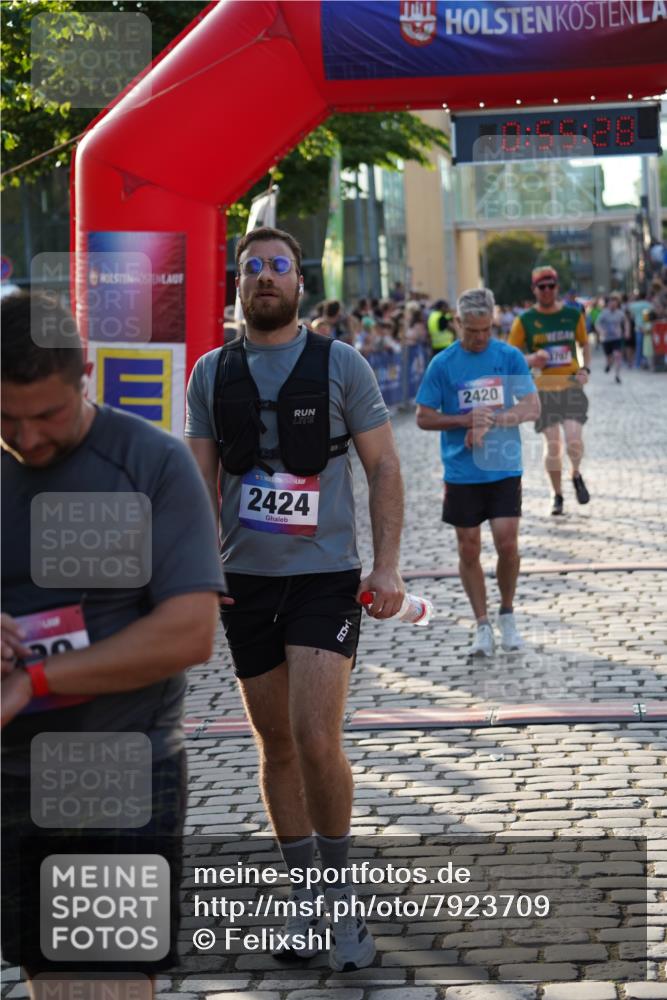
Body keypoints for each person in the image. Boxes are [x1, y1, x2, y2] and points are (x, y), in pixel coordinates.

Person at [185, 226, 405, 972]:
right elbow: (198, 482)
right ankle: (305, 897)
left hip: (324, 577)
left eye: (279, 266)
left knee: (315, 738)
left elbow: (381, 467)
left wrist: (388, 566)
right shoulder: (211, 374)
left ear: (300, 283)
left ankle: (340, 901)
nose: (266, 277)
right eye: (253, 269)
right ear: (238, 285)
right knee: (275, 744)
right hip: (245, 581)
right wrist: (192, 574)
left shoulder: (340, 364)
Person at [1, 292, 225, 986]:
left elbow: (189, 633)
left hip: (119, 771)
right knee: (47, 975)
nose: (29, 437)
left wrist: (35, 680)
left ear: (85, 374)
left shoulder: (151, 461)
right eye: (6, 417)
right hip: (10, 779)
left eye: (48, 415)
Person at [416, 288, 539, 658]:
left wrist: (493, 420)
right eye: (473, 331)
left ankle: (507, 613)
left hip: (503, 464)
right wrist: (462, 419)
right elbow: (423, 416)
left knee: (507, 543)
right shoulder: (443, 364)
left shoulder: (509, 356)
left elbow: (532, 407)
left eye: (486, 330)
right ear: (458, 324)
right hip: (461, 470)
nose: (481, 337)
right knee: (469, 547)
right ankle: (482, 624)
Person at [508, 265, 592, 517]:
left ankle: (575, 473)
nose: (546, 291)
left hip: (570, 386)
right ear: (534, 290)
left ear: (557, 287)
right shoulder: (523, 321)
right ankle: (556, 495)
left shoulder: (572, 314)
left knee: (574, 441)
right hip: (543, 391)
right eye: (541, 287)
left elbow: (584, 344)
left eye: (551, 286)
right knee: (553, 444)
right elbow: (511, 356)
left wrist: (585, 369)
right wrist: (533, 357)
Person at [595, 293, 629, 383]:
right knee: (609, 357)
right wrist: (601, 331)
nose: (613, 304)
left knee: (617, 355)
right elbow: (597, 323)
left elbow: (626, 322)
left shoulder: (620, 313)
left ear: (617, 304)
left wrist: (626, 331)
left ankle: (617, 375)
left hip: (617, 338)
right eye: (611, 302)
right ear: (608, 303)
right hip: (607, 339)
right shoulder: (604, 313)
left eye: (615, 303)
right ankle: (608, 365)